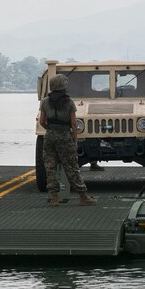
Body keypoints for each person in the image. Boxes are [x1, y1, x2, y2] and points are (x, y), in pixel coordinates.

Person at [38, 74, 97, 207]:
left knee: (50, 167)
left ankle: (54, 198)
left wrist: (50, 129)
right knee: (71, 167)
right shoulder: (69, 102)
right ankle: (83, 196)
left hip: (50, 136)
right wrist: (75, 140)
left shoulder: (45, 101)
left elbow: (42, 121)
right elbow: (74, 123)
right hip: (65, 136)